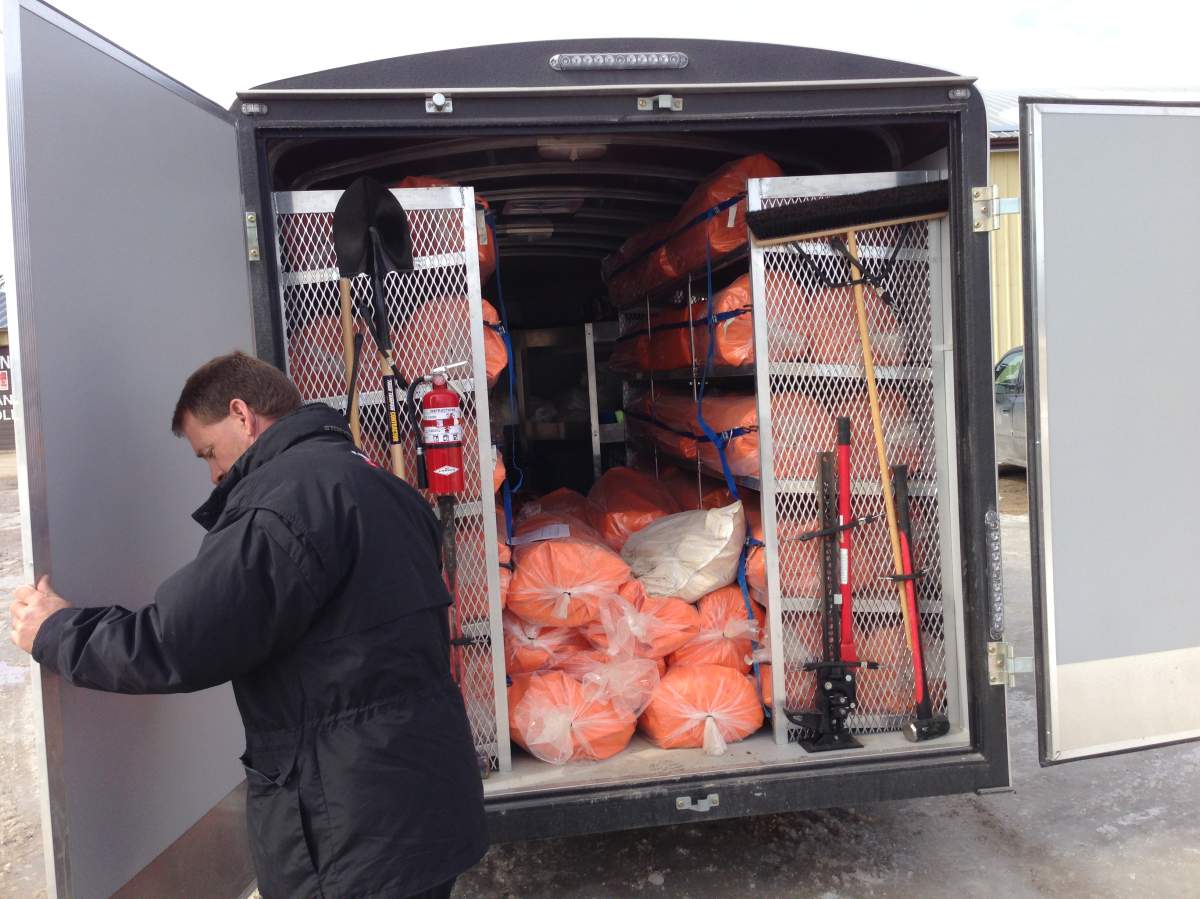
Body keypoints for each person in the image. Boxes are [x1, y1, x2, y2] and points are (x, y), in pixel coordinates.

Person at [8, 351, 486, 898]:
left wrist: (55, 631)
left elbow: (179, 641)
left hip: (351, 829)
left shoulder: (283, 504)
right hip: (421, 802)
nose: (213, 474)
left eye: (209, 452)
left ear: (243, 414)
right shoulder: (378, 483)